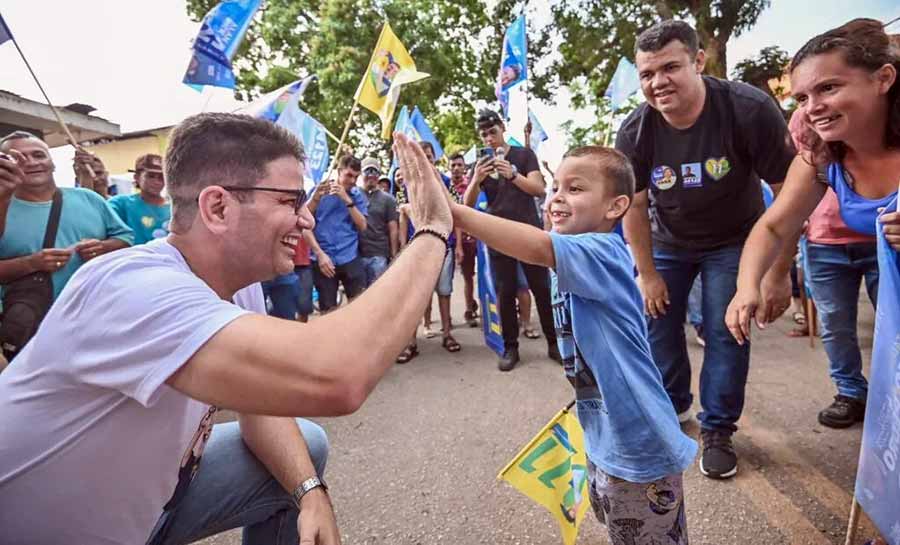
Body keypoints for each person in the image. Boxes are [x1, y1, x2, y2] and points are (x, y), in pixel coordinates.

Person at [0, 114, 453, 544]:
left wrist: (310, 491)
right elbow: (338, 374)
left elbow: (263, 402)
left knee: (303, 448)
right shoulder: (134, 288)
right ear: (217, 207)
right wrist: (432, 231)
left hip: (144, 509)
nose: (307, 219)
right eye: (289, 201)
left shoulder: (238, 286)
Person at [451, 145, 697, 545]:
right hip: (604, 434)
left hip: (637, 443)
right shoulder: (573, 247)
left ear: (616, 206)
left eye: (576, 188)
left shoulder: (600, 251)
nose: (557, 197)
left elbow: (534, 245)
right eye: (554, 187)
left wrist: (454, 213)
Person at [616, 20, 796, 480]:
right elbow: (634, 206)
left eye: (670, 67)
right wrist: (647, 271)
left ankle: (718, 429)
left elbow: (790, 194)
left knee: (726, 330)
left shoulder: (748, 108)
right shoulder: (635, 129)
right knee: (657, 324)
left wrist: (777, 272)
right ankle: (672, 408)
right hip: (667, 241)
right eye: (647, 74)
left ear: (698, 61)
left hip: (736, 241)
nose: (658, 83)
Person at [726, 19, 900, 427]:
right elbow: (772, 227)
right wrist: (747, 285)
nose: (812, 107)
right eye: (803, 96)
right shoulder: (821, 159)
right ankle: (854, 395)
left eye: (829, 88)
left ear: (884, 79)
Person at [0, 131, 133, 359]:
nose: (31, 162)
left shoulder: (89, 199)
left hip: (98, 323)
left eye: (38, 155)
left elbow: (127, 241)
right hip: (32, 332)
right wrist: (31, 263)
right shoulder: (2, 208)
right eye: (18, 158)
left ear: (52, 162)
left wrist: (103, 247)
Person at [463, 109, 561, 371]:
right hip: (498, 233)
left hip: (528, 230)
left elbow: (539, 189)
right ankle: (510, 347)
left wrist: (513, 175)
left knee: (540, 288)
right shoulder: (480, 165)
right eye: (483, 135)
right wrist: (475, 180)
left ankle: (554, 343)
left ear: (502, 128)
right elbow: (467, 205)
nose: (489, 138)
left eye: (492, 132)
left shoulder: (524, 155)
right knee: (505, 292)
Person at [307, 154, 369, 312]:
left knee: (359, 306)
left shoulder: (357, 196)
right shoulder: (320, 192)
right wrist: (319, 254)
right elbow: (304, 223)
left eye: (356, 176)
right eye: (349, 175)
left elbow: (362, 225)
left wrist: (346, 199)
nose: (353, 181)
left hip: (350, 257)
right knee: (328, 311)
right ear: (339, 171)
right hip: (324, 260)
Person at [108, 154, 171, 244]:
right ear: (136, 177)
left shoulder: (173, 208)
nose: (156, 182)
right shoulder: (121, 204)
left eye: (161, 177)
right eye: (151, 176)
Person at [449, 152, 480, 327]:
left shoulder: (472, 185)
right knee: (467, 277)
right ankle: (470, 309)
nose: (456, 168)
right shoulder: (446, 189)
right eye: (453, 165)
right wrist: (459, 245)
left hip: (479, 238)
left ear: (465, 167)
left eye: (459, 165)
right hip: (460, 240)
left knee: (486, 275)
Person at [357, 156, 399, 287]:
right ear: (361, 173)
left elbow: (393, 228)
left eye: (374, 172)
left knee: (378, 293)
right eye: (367, 171)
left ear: (379, 175)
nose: (371, 175)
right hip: (356, 254)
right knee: (358, 296)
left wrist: (394, 254)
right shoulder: (353, 194)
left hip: (379, 254)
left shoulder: (388, 199)